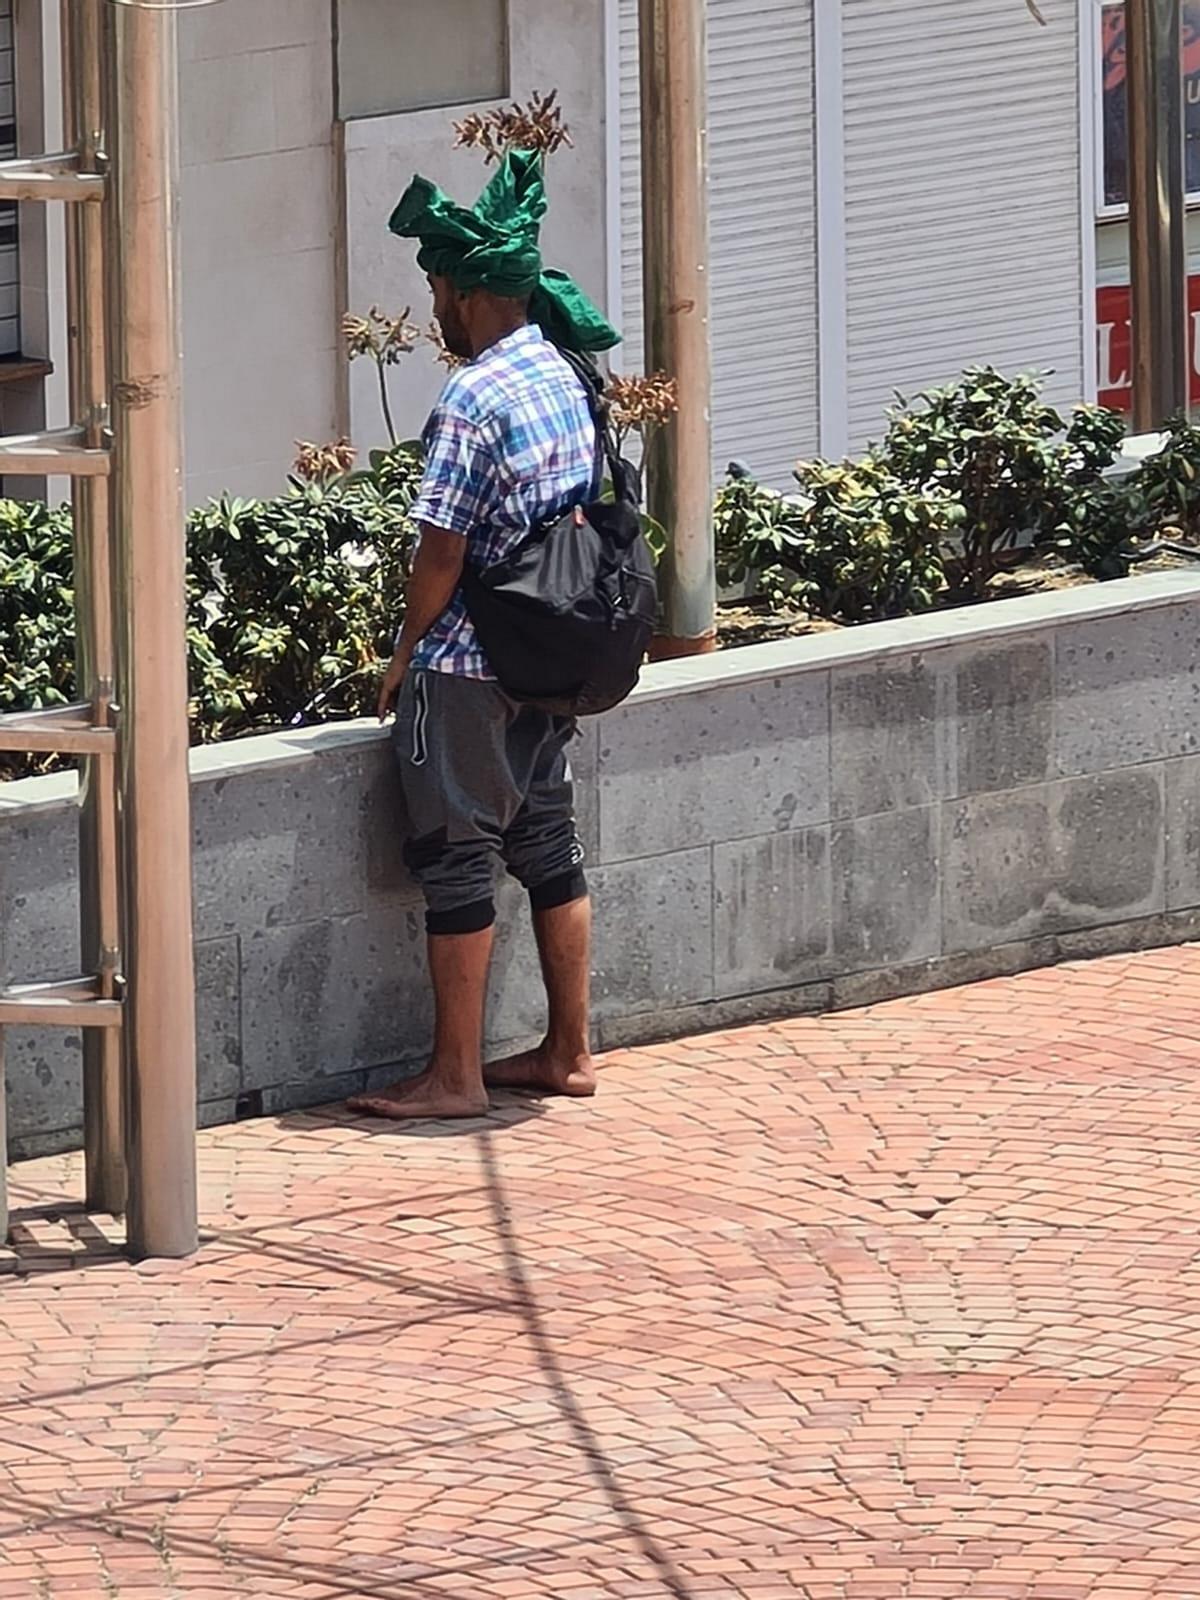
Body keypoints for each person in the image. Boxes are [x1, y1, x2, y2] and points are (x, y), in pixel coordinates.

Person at [348, 151, 621, 1122]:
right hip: (556, 648)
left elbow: (439, 556)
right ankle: (569, 1050)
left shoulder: (469, 400)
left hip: (469, 663)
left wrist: (403, 653)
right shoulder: (562, 367)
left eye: (433, 287)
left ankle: (455, 1075)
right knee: (549, 841)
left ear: (466, 291)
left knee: (459, 855)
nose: (430, 308)